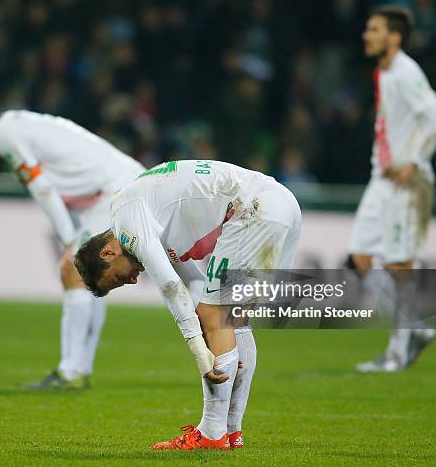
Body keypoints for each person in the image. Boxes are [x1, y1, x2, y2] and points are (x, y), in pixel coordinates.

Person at [74, 159, 301, 450]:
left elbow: (170, 286)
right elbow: (193, 284)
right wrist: (207, 334)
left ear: (107, 253)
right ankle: (231, 432)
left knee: (214, 314)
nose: (130, 281)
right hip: (282, 203)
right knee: (232, 319)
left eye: (117, 279)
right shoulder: (150, 217)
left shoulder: (127, 220)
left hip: (254, 207)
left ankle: (211, 434)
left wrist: (199, 351)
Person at [0, 109, 145, 389]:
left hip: (113, 190)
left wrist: (67, 241)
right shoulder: (21, 123)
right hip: (121, 184)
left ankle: (70, 372)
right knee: (93, 276)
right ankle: (80, 368)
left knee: (72, 268)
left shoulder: (3, 134)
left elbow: (42, 189)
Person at [348, 7, 436, 372]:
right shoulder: (385, 72)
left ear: (394, 37)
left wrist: (414, 161)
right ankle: (417, 331)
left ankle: (396, 352)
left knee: (398, 264)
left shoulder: (406, 72)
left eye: (373, 29)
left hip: (407, 182)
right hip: (382, 179)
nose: (366, 35)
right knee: (361, 257)